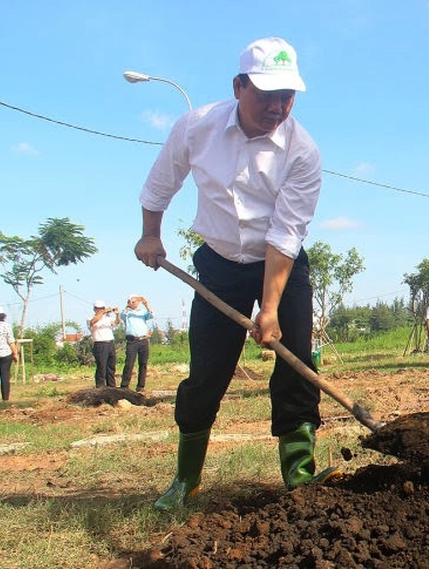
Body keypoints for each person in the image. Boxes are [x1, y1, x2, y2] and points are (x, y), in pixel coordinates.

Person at [134, 37, 337, 511]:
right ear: (238, 86)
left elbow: (286, 233)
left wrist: (271, 309)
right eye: (267, 95)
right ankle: (186, 480)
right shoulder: (197, 126)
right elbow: (160, 183)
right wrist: (150, 236)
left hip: (281, 265)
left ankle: (299, 474)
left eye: (287, 96)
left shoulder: (302, 151)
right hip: (220, 265)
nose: (278, 107)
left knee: (297, 364)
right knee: (207, 372)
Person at [120, 294, 154, 392]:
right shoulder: (127, 313)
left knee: (143, 363)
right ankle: (124, 386)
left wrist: (146, 303)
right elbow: (122, 316)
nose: (135, 303)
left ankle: (141, 386)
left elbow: (151, 315)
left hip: (143, 340)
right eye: (133, 301)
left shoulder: (142, 312)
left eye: (136, 301)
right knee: (129, 363)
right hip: (132, 341)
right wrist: (128, 306)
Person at [89, 300, 120, 388]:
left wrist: (117, 314)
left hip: (110, 343)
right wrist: (104, 312)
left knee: (111, 366)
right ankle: (100, 386)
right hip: (100, 344)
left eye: (102, 308)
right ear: (95, 309)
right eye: (98, 308)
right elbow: (92, 322)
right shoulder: (91, 318)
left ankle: (111, 386)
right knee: (101, 366)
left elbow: (116, 323)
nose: (100, 310)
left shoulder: (108, 318)